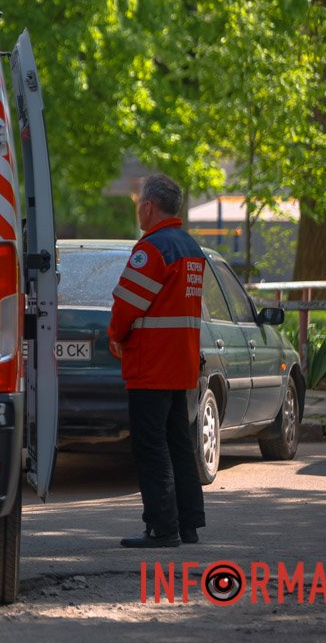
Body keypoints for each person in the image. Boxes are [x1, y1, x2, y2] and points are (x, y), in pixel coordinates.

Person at [107, 174, 206, 548]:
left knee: (151, 446)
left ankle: (162, 527)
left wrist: (115, 335)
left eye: (138, 203)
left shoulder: (152, 249)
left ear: (149, 206)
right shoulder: (190, 247)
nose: (137, 209)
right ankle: (188, 524)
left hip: (151, 364)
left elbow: (127, 305)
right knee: (179, 443)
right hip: (180, 364)